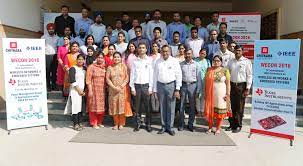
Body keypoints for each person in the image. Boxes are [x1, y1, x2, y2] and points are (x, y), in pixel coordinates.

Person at [153, 45, 182, 136]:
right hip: (160, 85)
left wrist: (177, 89)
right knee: (162, 106)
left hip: (171, 86)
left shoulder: (174, 61)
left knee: (171, 107)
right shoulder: (158, 62)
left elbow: (178, 75)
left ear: (169, 52)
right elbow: (154, 76)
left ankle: (170, 127)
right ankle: (163, 126)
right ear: (161, 52)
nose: (165, 53)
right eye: (163, 51)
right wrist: (154, 90)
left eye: (167, 51)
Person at [226, 45, 252, 133]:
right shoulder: (230, 61)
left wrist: (248, 88)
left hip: (241, 86)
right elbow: (227, 73)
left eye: (239, 51)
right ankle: (231, 124)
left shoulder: (246, 61)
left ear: (242, 52)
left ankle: (238, 125)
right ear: (234, 51)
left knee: (240, 107)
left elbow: (249, 75)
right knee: (231, 106)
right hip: (232, 85)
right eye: (236, 50)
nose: (237, 52)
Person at [204, 55, 231, 135]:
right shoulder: (209, 70)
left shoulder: (225, 70)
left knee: (220, 112)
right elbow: (205, 82)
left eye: (218, 61)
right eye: (215, 61)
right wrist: (205, 93)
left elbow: (228, 84)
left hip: (221, 94)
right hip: (211, 94)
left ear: (221, 62)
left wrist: (228, 94)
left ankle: (218, 128)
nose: (216, 62)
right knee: (210, 110)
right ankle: (210, 127)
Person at [130, 43, 153, 132]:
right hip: (137, 86)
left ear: (146, 49)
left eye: (143, 48)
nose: (141, 49)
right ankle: (138, 124)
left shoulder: (150, 60)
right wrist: (132, 87)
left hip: (146, 86)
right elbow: (132, 74)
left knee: (147, 107)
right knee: (137, 107)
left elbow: (152, 75)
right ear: (138, 49)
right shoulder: (135, 61)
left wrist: (151, 87)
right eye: (140, 48)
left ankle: (148, 124)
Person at [107, 52, 132, 130]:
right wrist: (113, 87)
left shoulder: (124, 66)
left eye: (118, 57)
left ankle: (121, 123)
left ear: (121, 58)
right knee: (114, 106)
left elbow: (127, 77)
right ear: (113, 58)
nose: (116, 58)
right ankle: (116, 123)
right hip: (113, 90)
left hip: (122, 90)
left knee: (121, 106)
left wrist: (121, 86)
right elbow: (107, 79)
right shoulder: (110, 67)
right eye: (115, 57)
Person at [64, 54, 86, 131]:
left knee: (80, 108)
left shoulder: (84, 69)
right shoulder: (73, 68)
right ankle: (75, 124)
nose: (80, 61)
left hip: (82, 92)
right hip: (75, 91)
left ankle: (80, 122)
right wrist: (79, 90)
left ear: (84, 60)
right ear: (76, 60)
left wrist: (83, 91)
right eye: (79, 59)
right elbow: (72, 80)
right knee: (75, 108)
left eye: (82, 59)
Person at [178, 49, 198, 132]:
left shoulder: (196, 64)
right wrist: (178, 88)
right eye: (186, 54)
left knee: (192, 106)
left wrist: (198, 89)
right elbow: (178, 77)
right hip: (183, 85)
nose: (188, 55)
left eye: (189, 54)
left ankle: (190, 124)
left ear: (192, 54)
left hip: (193, 85)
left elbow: (199, 78)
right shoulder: (181, 64)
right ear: (184, 54)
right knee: (181, 105)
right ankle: (181, 124)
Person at [86, 52, 106, 129]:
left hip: (102, 90)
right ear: (96, 58)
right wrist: (90, 90)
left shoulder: (104, 67)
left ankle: (100, 122)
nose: (100, 59)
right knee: (93, 106)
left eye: (101, 58)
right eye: (99, 57)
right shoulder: (91, 67)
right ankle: (94, 123)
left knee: (101, 106)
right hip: (93, 89)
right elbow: (88, 79)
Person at [41, 23, 59, 91]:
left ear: (54, 30)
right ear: (47, 30)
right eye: (49, 29)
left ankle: (54, 85)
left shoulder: (57, 38)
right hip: (46, 56)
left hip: (55, 56)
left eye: (52, 29)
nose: (51, 30)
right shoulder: (43, 37)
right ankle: (48, 86)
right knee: (47, 71)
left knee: (54, 72)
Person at [196, 48, 211, 117]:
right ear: (199, 53)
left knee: (203, 96)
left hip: (205, 81)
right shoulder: (195, 61)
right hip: (196, 81)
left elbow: (209, 71)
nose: (203, 55)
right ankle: (198, 110)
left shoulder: (207, 61)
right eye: (201, 53)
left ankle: (202, 110)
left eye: (204, 54)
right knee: (197, 96)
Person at [150, 42, 161, 113]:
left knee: (158, 92)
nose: (154, 47)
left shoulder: (160, 56)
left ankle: (157, 108)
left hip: (159, 76)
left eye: (156, 46)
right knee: (152, 92)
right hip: (151, 76)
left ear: (158, 47)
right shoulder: (149, 56)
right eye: (153, 46)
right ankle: (153, 108)